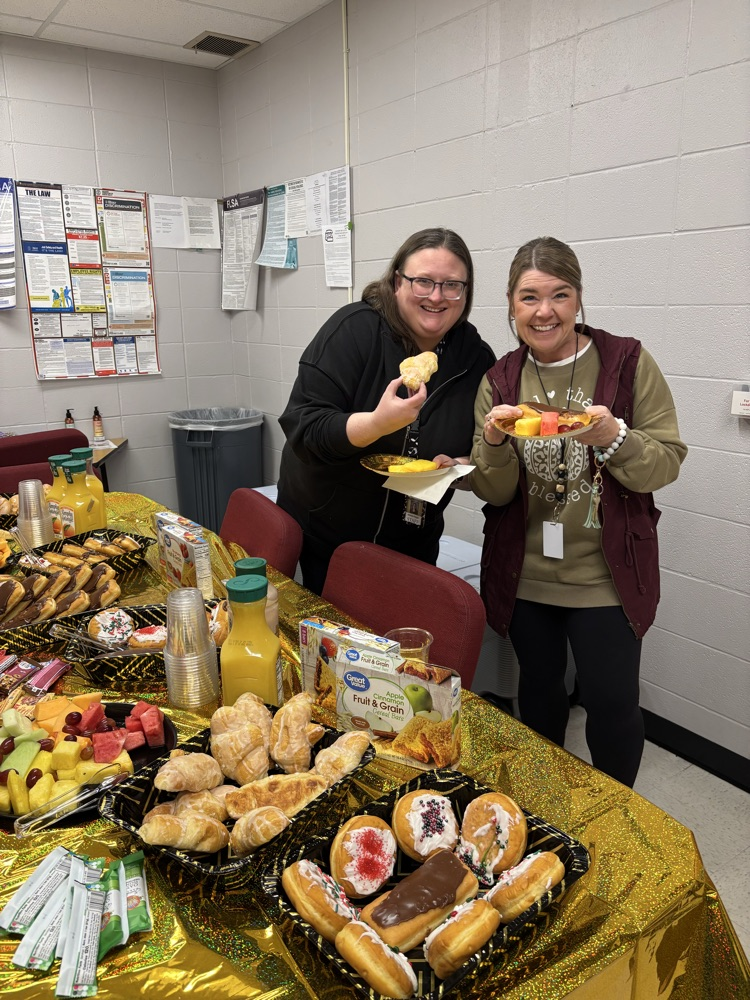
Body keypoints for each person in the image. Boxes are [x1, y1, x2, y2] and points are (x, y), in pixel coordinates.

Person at [468, 237, 687, 787]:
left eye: (560, 295)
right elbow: (493, 494)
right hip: (527, 576)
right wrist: (493, 442)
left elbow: (665, 464)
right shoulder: (499, 380)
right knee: (539, 699)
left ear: (579, 299)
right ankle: (551, 808)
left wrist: (614, 435)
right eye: (530, 297)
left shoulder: (625, 362)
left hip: (605, 578)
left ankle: (616, 816)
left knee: (612, 707)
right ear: (512, 306)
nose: (545, 311)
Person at [277, 227, 495, 594]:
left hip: (414, 538)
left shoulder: (475, 360)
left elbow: (482, 444)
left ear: (466, 292)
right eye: (422, 281)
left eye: (452, 285)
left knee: (400, 642)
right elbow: (304, 429)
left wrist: (460, 466)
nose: (437, 297)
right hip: (328, 534)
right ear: (397, 282)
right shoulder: (354, 331)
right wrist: (377, 423)